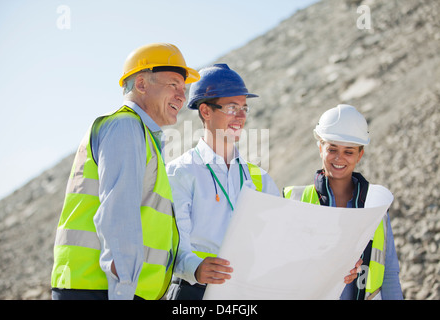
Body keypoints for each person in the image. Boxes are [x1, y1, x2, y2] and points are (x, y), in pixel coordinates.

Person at [166, 65, 361, 300]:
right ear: (206, 111)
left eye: (244, 109)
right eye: (231, 107)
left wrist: (334, 266)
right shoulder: (181, 172)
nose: (240, 117)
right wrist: (195, 268)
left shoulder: (259, 178)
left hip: (247, 295)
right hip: (194, 293)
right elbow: (170, 247)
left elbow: (283, 245)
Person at [50, 43, 200, 300]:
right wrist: (123, 292)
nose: (182, 96)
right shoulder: (126, 127)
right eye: (173, 84)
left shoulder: (144, 136)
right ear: (141, 84)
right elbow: (118, 218)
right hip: (102, 290)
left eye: (183, 89)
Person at [283, 104, 403, 300]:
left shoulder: (375, 204)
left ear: (360, 154)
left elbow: (389, 273)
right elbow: (282, 270)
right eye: (332, 149)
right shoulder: (295, 201)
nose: (339, 158)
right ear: (320, 147)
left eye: (349, 151)